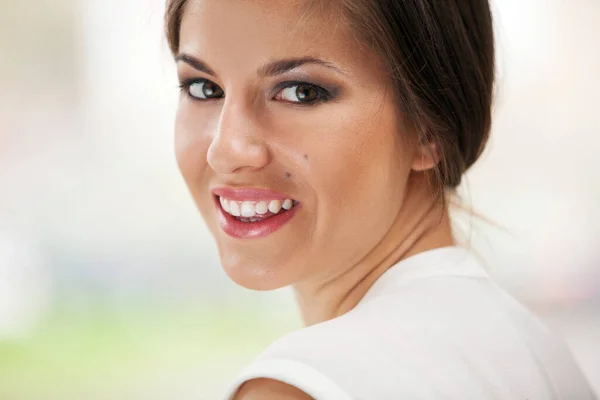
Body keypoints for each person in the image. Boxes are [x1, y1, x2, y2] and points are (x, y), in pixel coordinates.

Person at [164, 0, 596, 398]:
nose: (226, 149)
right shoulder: (538, 354)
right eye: (203, 88)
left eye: (301, 92)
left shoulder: (299, 385)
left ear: (429, 125)